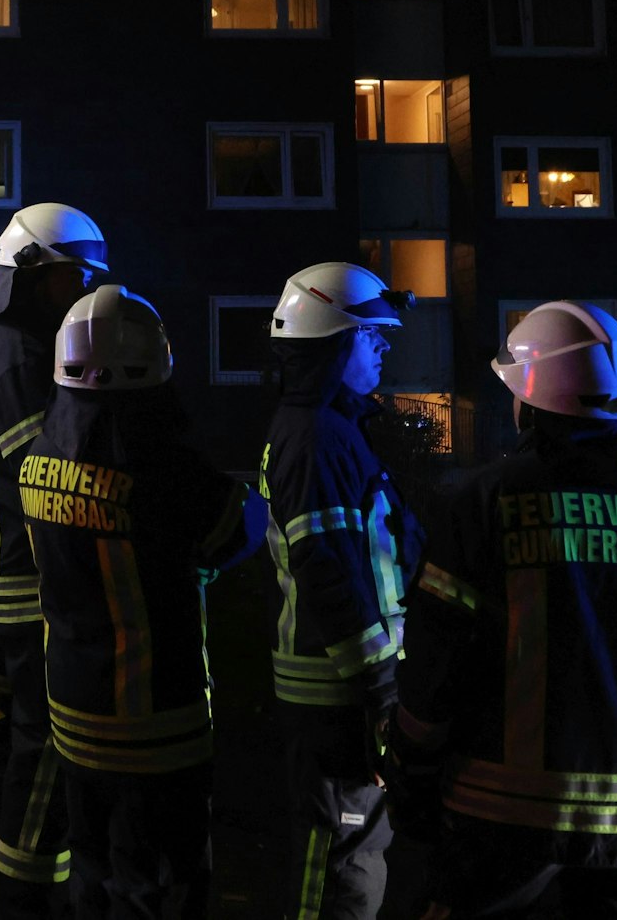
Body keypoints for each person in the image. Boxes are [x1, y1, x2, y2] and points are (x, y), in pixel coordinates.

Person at [389, 302, 617, 919]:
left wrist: (412, 763)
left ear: (533, 396)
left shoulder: (486, 505)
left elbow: (437, 660)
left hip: (500, 815)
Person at [23, 285, 248, 918]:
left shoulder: (38, 457)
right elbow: (237, 533)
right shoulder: (166, 470)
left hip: (71, 703)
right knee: (161, 880)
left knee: (92, 866)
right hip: (156, 718)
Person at [259, 262, 420, 920]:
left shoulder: (329, 428)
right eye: (371, 336)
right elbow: (328, 572)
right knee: (337, 858)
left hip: (344, 684)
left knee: (353, 849)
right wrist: (380, 687)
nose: (383, 349)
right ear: (332, 342)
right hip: (337, 691)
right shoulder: (320, 437)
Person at [0, 202, 109, 913]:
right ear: (36, 273)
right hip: (31, 579)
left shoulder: (1, 344)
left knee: (37, 736)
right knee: (47, 740)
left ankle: (30, 879)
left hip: (16, 574)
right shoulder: (15, 353)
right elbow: (39, 480)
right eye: (76, 275)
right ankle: (24, 891)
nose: (84, 290)